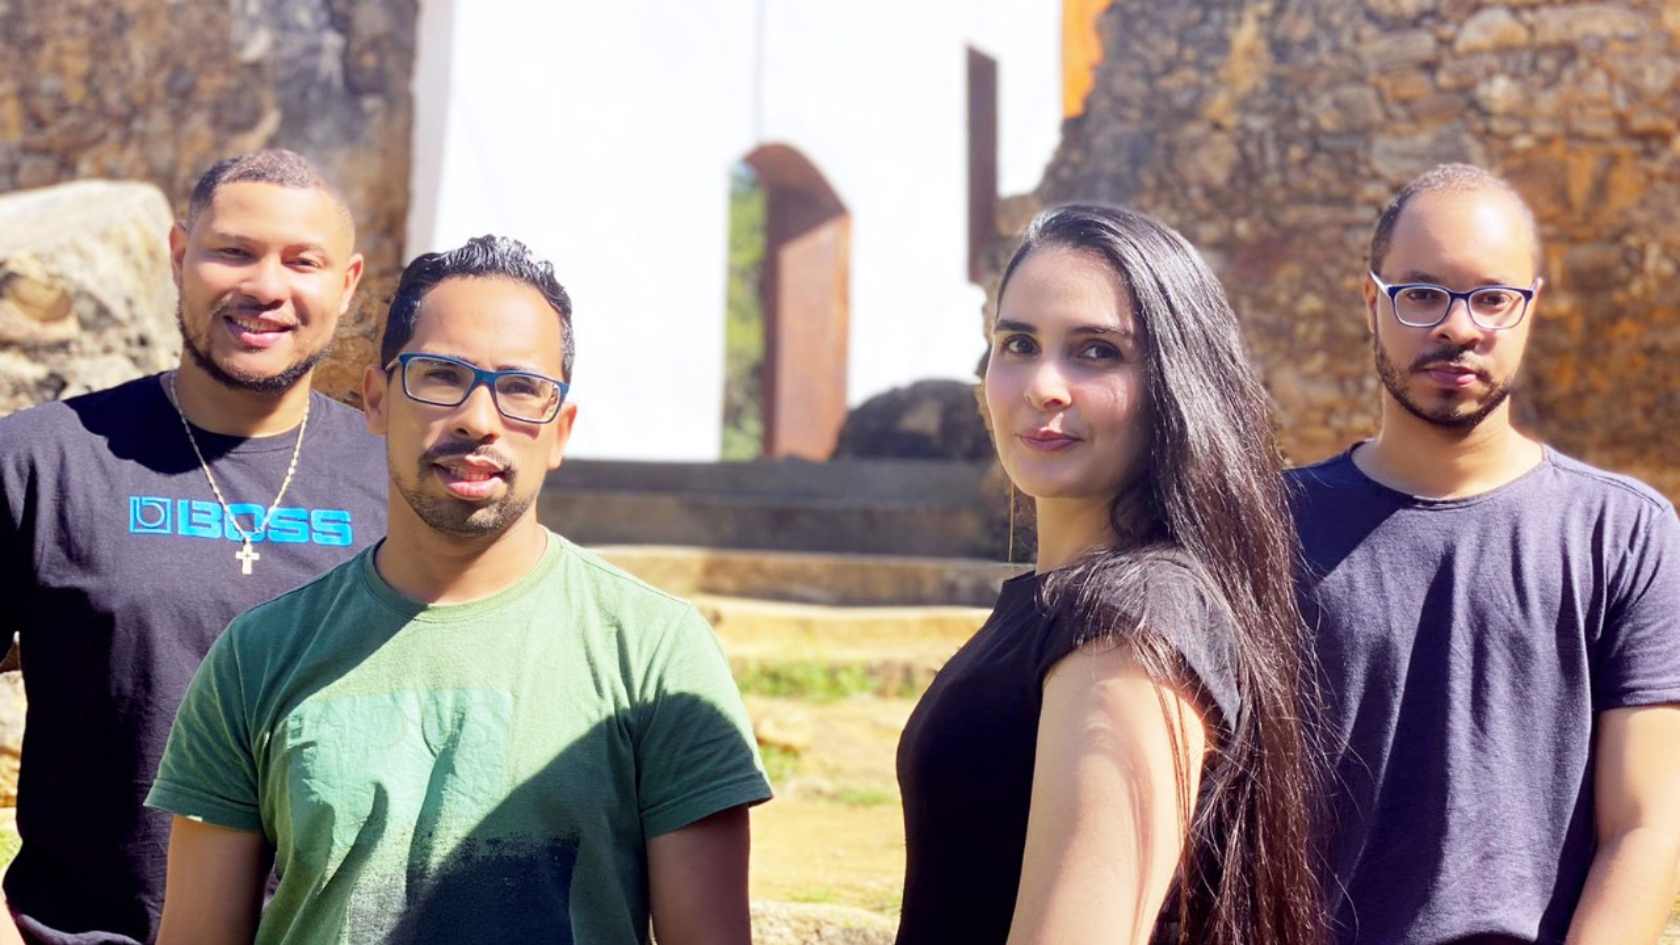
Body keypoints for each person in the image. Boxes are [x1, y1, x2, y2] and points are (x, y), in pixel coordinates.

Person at [146, 235, 771, 945]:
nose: (478, 420)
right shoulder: (258, 655)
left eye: (521, 389)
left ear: (560, 432)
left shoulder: (655, 652)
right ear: (375, 401)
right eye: (441, 376)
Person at [894, 204, 1323, 945]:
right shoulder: (1070, 605)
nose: (1044, 385)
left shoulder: (1129, 623)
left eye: (1096, 351)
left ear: (1174, 384)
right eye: (1018, 343)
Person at [0, 149, 385, 945]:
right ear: (179, 256)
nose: (266, 286)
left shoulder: (396, 480)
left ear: (346, 284)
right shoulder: (44, 458)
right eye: (234, 251)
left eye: (302, 261)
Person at [1290, 163, 1680, 944]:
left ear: (1530, 307)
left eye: (1492, 298)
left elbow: (1647, 824)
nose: (1459, 327)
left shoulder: (1623, 533)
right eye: (1422, 294)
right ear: (1372, 302)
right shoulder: (1272, 525)